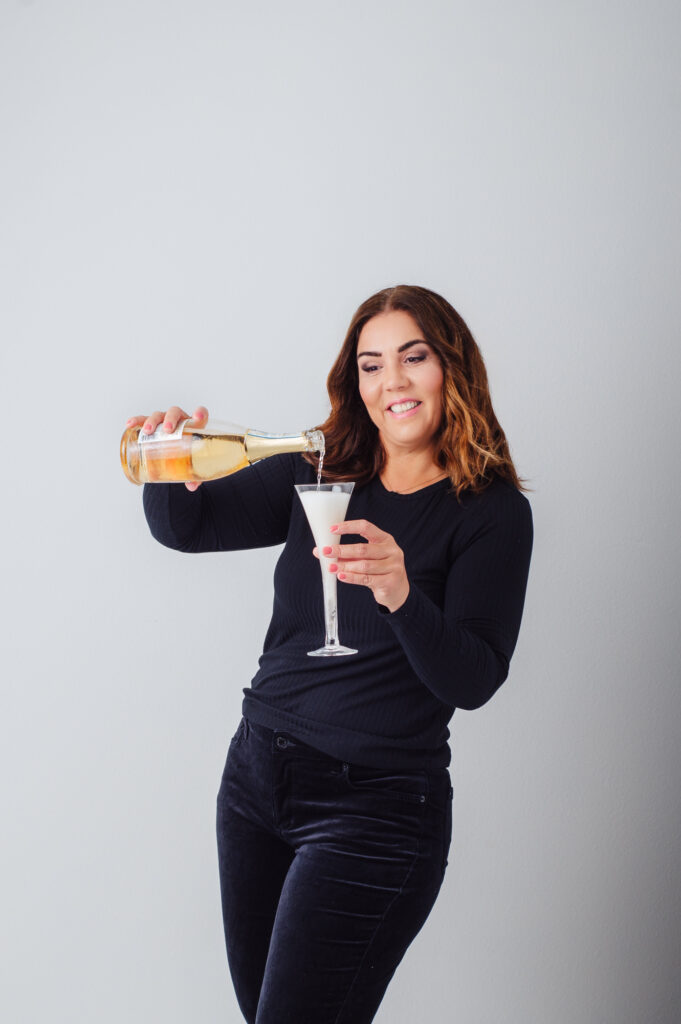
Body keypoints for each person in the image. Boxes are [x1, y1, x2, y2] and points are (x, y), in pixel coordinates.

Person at [127, 285, 533, 1024]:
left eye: (413, 358)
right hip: (253, 782)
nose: (392, 383)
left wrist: (402, 595)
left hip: (373, 810)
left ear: (452, 368)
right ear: (356, 383)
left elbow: (473, 679)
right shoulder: (321, 465)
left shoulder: (491, 511)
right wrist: (169, 472)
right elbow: (189, 528)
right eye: (371, 366)